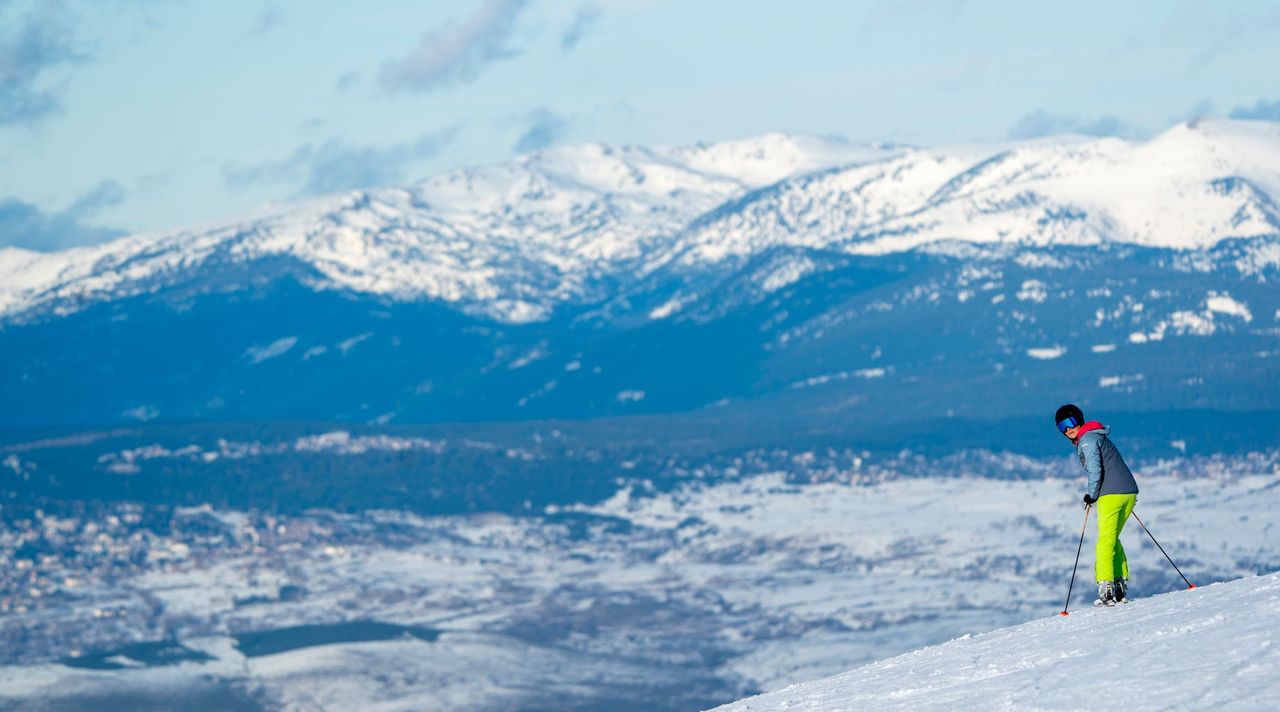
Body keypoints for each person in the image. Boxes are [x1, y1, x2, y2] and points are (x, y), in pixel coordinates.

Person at [1055, 404, 1139, 606]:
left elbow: (1095, 470)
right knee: (1112, 538)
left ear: (1079, 420)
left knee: (1104, 542)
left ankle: (1106, 586)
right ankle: (1119, 582)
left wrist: (1091, 495)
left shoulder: (1087, 440)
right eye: (1062, 427)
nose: (1067, 430)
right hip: (1128, 492)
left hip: (1111, 494)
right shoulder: (1097, 436)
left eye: (1070, 423)